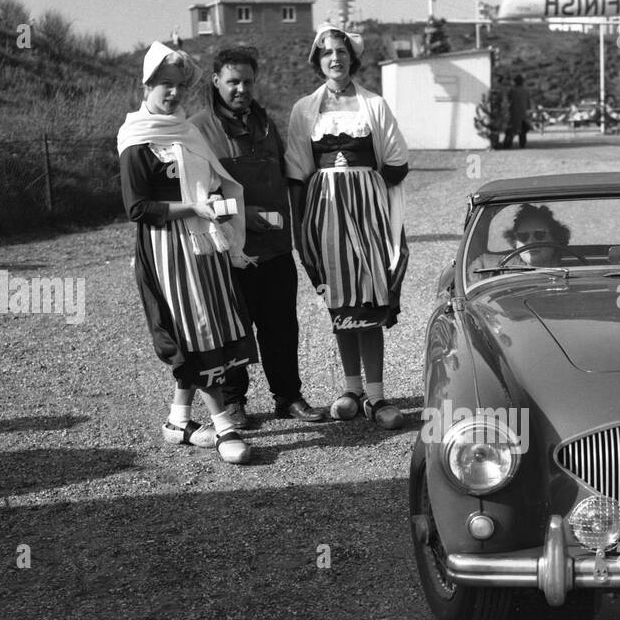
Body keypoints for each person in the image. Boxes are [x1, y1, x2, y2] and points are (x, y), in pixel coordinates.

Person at [117, 42, 256, 465]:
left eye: (179, 86)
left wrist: (213, 203)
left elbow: (210, 183)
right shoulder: (136, 137)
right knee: (195, 331)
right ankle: (224, 427)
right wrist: (191, 207)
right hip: (166, 248)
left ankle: (179, 420)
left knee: (211, 323)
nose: (173, 93)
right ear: (147, 84)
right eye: (164, 84)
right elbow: (137, 207)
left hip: (203, 242)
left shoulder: (186, 131)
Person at [190, 47, 326, 429]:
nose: (241, 89)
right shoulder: (198, 128)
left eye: (248, 81)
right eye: (233, 81)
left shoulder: (265, 124)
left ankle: (288, 397)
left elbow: (289, 173)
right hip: (228, 249)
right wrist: (240, 214)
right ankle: (234, 403)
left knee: (281, 326)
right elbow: (194, 192)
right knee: (233, 328)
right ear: (216, 81)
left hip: (275, 247)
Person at [286, 24, 410, 430]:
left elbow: (396, 160)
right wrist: (305, 222)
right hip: (326, 214)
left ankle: (376, 395)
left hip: (368, 213)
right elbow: (299, 170)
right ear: (317, 61)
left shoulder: (374, 105)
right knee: (340, 300)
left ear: (352, 59)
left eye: (340, 52)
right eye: (326, 54)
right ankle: (351, 389)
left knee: (370, 298)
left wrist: (362, 184)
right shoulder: (305, 109)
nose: (334, 59)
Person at [504, 74, 532, 149]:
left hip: (513, 113)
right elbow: (528, 103)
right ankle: (522, 144)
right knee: (523, 130)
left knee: (511, 130)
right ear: (523, 82)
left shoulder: (512, 90)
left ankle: (507, 144)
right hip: (523, 113)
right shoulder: (526, 91)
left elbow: (508, 101)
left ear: (515, 82)